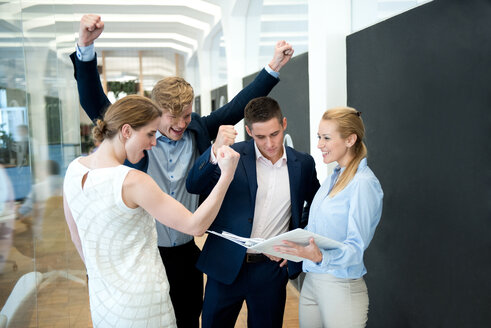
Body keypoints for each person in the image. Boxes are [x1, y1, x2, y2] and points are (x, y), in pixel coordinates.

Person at [70, 14, 293, 327]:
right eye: (172, 117)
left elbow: (238, 105)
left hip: (187, 252)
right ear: (155, 112)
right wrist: (85, 48)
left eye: (186, 115)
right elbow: (94, 100)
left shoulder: (198, 128)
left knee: (189, 318)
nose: (180, 124)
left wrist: (273, 67)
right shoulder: (134, 133)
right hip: (147, 253)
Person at [63, 95, 240, 327]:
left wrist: (104, 277)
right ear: (126, 131)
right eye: (149, 134)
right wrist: (226, 175)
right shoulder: (132, 181)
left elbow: (77, 237)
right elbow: (195, 225)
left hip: (103, 302)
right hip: (142, 304)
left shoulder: (73, 170)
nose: (154, 142)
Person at [186, 96, 320, 328]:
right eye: (260, 137)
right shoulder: (232, 155)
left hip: (271, 270)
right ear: (248, 131)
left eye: (274, 134)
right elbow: (193, 185)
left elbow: (317, 208)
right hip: (224, 266)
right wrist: (215, 149)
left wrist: (293, 246)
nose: (269, 143)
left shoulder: (304, 164)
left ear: (284, 124)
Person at [274, 107, 384, 328]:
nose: (319, 145)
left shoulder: (363, 184)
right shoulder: (333, 178)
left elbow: (355, 249)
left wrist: (320, 256)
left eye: (326, 138)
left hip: (341, 287)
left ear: (350, 140)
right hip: (313, 280)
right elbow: (320, 231)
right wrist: (295, 249)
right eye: (318, 137)